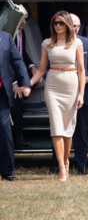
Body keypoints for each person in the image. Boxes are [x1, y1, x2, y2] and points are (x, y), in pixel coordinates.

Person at [30, 11, 85, 181]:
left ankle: (66, 161)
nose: (58, 26)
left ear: (67, 24)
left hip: (71, 83)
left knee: (68, 129)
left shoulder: (77, 42)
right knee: (56, 127)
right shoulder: (47, 43)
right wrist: (28, 84)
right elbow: (41, 70)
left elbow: (82, 70)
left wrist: (81, 94)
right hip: (52, 84)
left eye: (61, 23)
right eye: (55, 23)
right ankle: (61, 166)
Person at [49, 13, 88, 175]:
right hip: (61, 90)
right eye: (73, 25)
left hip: (81, 93)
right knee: (59, 128)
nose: (76, 28)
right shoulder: (54, 43)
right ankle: (57, 165)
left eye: (77, 25)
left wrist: (85, 80)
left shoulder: (87, 42)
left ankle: (81, 166)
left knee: (81, 131)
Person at [0, 30, 31, 181]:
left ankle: (7, 171)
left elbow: (17, 61)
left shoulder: (5, 37)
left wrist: (25, 82)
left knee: (4, 130)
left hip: (2, 93)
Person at [11, 12, 39, 149]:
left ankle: (19, 137)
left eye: (27, 19)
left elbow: (22, 55)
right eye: (22, 18)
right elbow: (8, 59)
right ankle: (18, 139)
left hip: (20, 72)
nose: (25, 22)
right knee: (16, 106)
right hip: (9, 76)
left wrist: (32, 66)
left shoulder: (23, 33)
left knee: (37, 78)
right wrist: (13, 82)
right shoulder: (9, 34)